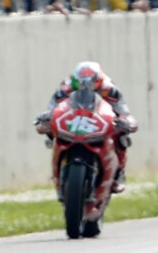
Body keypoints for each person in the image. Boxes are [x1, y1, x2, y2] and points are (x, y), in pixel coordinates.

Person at [35, 61, 138, 193]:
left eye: (90, 83)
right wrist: (45, 119)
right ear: (75, 81)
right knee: (49, 129)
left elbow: (124, 112)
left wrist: (126, 122)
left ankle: (119, 173)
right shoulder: (65, 88)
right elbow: (52, 108)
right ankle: (59, 164)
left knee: (122, 135)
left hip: (100, 117)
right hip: (75, 117)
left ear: (98, 81)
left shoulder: (109, 90)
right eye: (81, 83)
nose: (85, 87)